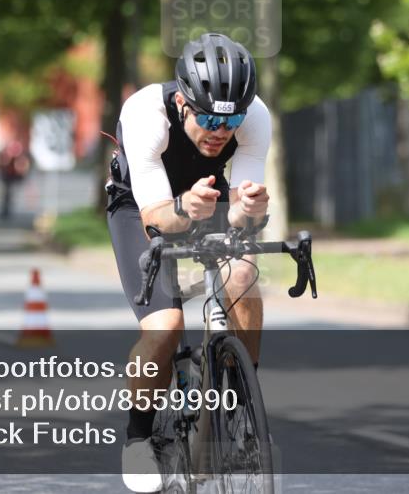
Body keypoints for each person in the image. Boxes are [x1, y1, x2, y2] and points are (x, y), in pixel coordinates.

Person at [105, 33, 271, 492]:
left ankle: (240, 407)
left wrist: (248, 208)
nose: (221, 131)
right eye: (209, 119)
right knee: (165, 327)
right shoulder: (145, 114)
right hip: (139, 204)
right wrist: (183, 209)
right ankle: (138, 435)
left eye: (231, 119)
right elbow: (156, 215)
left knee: (241, 275)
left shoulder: (254, 117)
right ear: (182, 102)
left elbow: (240, 211)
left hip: (207, 196)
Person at [0, 139, 30, 219]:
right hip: (7, 177)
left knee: (9, 194)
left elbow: (22, 166)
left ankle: (6, 210)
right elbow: (1, 165)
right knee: (7, 194)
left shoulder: (17, 157)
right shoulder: (6, 156)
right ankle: (5, 210)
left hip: (12, 177)